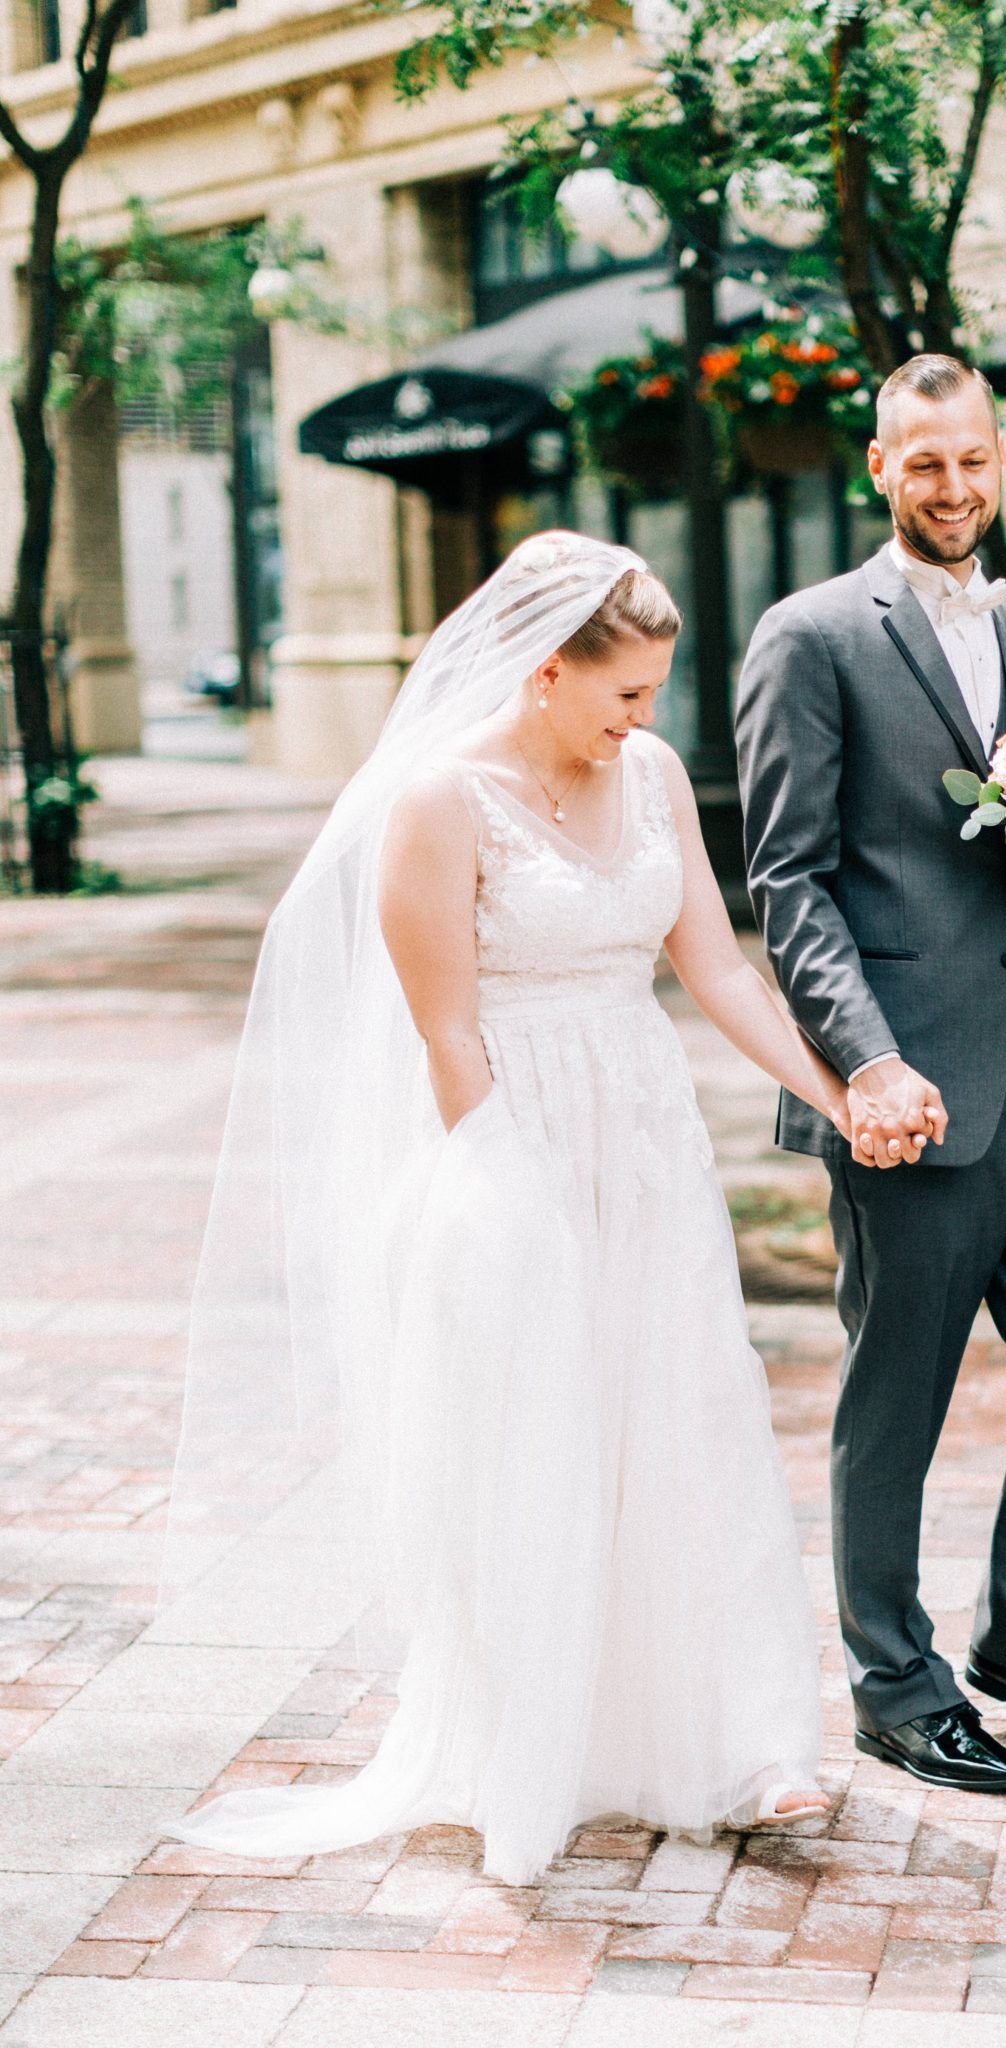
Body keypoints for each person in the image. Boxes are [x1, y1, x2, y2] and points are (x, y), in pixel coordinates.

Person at [163, 534, 832, 1884]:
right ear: (544, 672)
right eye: (625, 694)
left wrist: (839, 1089)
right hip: (511, 1145)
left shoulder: (648, 781)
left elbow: (719, 966)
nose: (646, 722)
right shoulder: (440, 802)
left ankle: (748, 1740)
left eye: (653, 693)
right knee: (543, 1442)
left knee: (692, 1410)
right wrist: (510, 1199)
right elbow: (448, 1035)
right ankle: (546, 1745)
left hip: (644, 1139)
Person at [735, 355, 1006, 1794]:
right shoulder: (809, 637)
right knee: (899, 1393)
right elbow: (790, 881)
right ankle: (893, 1678)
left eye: (974, 460)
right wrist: (865, 1062)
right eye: (926, 464)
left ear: (1003, 460)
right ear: (879, 468)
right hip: (906, 1088)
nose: (955, 488)